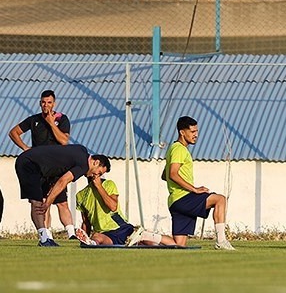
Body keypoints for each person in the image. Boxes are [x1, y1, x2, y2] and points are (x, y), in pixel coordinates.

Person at [8, 89, 76, 239]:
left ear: (54, 104)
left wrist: (52, 124)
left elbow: (64, 141)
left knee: (61, 202)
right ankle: (47, 235)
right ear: (40, 103)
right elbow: (13, 132)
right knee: (42, 202)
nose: (46, 105)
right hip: (38, 168)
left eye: (49, 102)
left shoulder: (62, 119)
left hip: (57, 167)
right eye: (43, 102)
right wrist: (25, 148)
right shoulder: (34, 120)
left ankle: (72, 234)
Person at [14, 144, 110, 246]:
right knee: (37, 202)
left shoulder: (81, 150)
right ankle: (44, 239)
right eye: (99, 172)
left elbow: (60, 163)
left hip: (36, 166)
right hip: (29, 164)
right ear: (96, 162)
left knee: (39, 201)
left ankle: (46, 238)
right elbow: (63, 181)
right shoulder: (84, 165)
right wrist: (47, 203)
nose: (96, 176)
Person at [162, 116, 235, 250]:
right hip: (183, 198)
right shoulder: (179, 149)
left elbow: (165, 175)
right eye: (192, 132)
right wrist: (194, 189)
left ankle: (146, 237)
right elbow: (172, 174)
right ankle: (221, 241)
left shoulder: (173, 148)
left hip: (175, 201)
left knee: (179, 245)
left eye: (197, 131)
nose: (196, 135)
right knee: (220, 199)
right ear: (182, 132)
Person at [75, 171, 178, 247]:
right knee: (97, 238)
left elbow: (113, 206)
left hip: (122, 228)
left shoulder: (108, 184)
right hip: (105, 233)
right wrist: (84, 239)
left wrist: (98, 186)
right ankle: (91, 243)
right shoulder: (81, 195)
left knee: (148, 241)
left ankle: (174, 246)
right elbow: (86, 222)